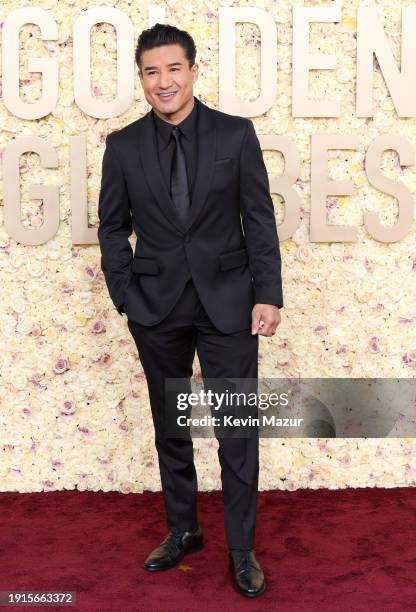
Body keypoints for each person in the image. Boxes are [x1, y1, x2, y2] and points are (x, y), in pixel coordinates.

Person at [98, 23, 283, 598]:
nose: (164, 81)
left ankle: (242, 548)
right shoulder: (123, 146)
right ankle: (183, 530)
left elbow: (259, 218)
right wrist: (127, 296)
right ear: (141, 79)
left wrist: (268, 293)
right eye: (152, 72)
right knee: (171, 429)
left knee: (235, 429)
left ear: (193, 71)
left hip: (229, 303)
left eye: (173, 68)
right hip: (156, 308)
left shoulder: (235, 135)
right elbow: (111, 228)